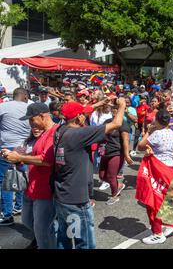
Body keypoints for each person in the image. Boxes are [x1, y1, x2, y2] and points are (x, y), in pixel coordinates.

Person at [53, 98, 127, 249]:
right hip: (76, 199)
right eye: (83, 115)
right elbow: (116, 124)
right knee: (84, 242)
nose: (85, 117)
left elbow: (82, 110)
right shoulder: (79, 134)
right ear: (79, 117)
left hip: (62, 194)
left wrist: (100, 103)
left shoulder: (60, 130)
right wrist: (122, 106)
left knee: (65, 238)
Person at [1, 103, 58, 248]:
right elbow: (33, 156)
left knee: (42, 229)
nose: (30, 123)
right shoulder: (39, 134)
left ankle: (48, 243)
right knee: (27, 221)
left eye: (32, 119)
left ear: (43, 116)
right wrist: (15, 157)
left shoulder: (54, 132)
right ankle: (48, 240)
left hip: (45, 190)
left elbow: (46, 160)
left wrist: (20, 157)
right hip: (31, 187)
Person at [138, 109, 173, 244]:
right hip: (170, 168)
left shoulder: (157, 134)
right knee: (167, 199)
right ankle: (167, 224)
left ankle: (157, 232)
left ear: (157, 120)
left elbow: (140, 146)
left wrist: (149, 132)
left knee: (153, 200)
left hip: (157, 169)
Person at [0, 88, 31, 226]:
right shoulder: (31, 107)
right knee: (22, 178)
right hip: (24, 148)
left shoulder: (3, 106)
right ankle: (19, 207)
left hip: (6, 147)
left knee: (6, 181)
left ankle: (7, 214)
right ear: (25, 97)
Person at [100, 103, 134, 206]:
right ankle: (118, 185)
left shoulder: (123, 124)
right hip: (105, 152)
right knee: (102, 176)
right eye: (113, 109)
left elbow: (125, 140)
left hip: (116, 153)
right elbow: (100, 135)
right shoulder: (107, 122)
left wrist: (127, 155)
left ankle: (114, 196)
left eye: (117, 109)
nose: (114, 111)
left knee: (111, 176)